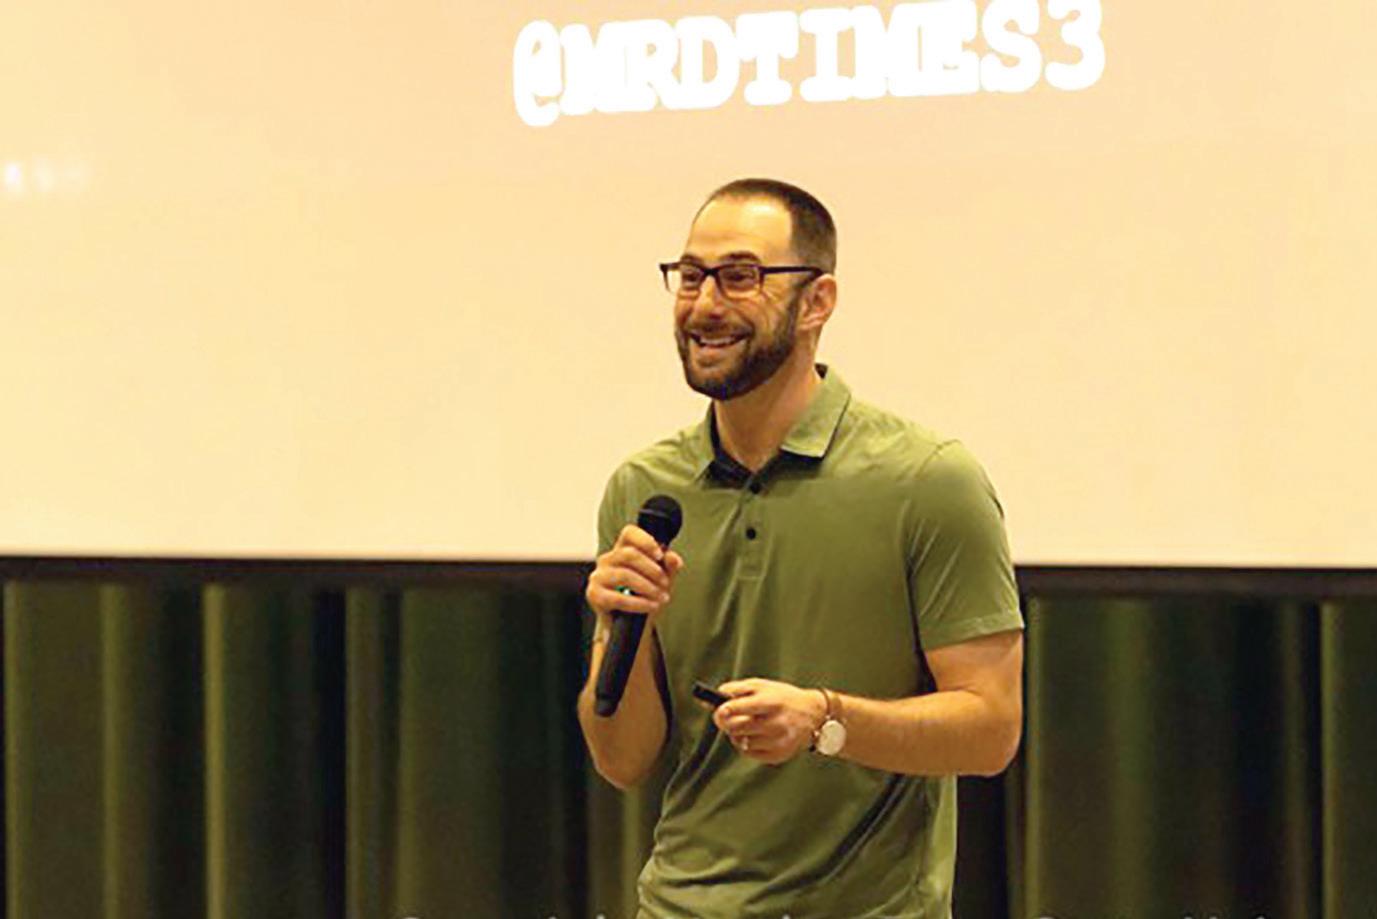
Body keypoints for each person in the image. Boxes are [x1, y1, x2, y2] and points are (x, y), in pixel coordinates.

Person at [578, 178, 1024, 919]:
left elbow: (990, 729)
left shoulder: (927, 480)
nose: (704, 304)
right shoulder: (643, 488)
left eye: (739, 276)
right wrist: (625, 623)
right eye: (689, 276)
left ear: (817, 302)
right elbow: (621, 759)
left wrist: (825, 720)